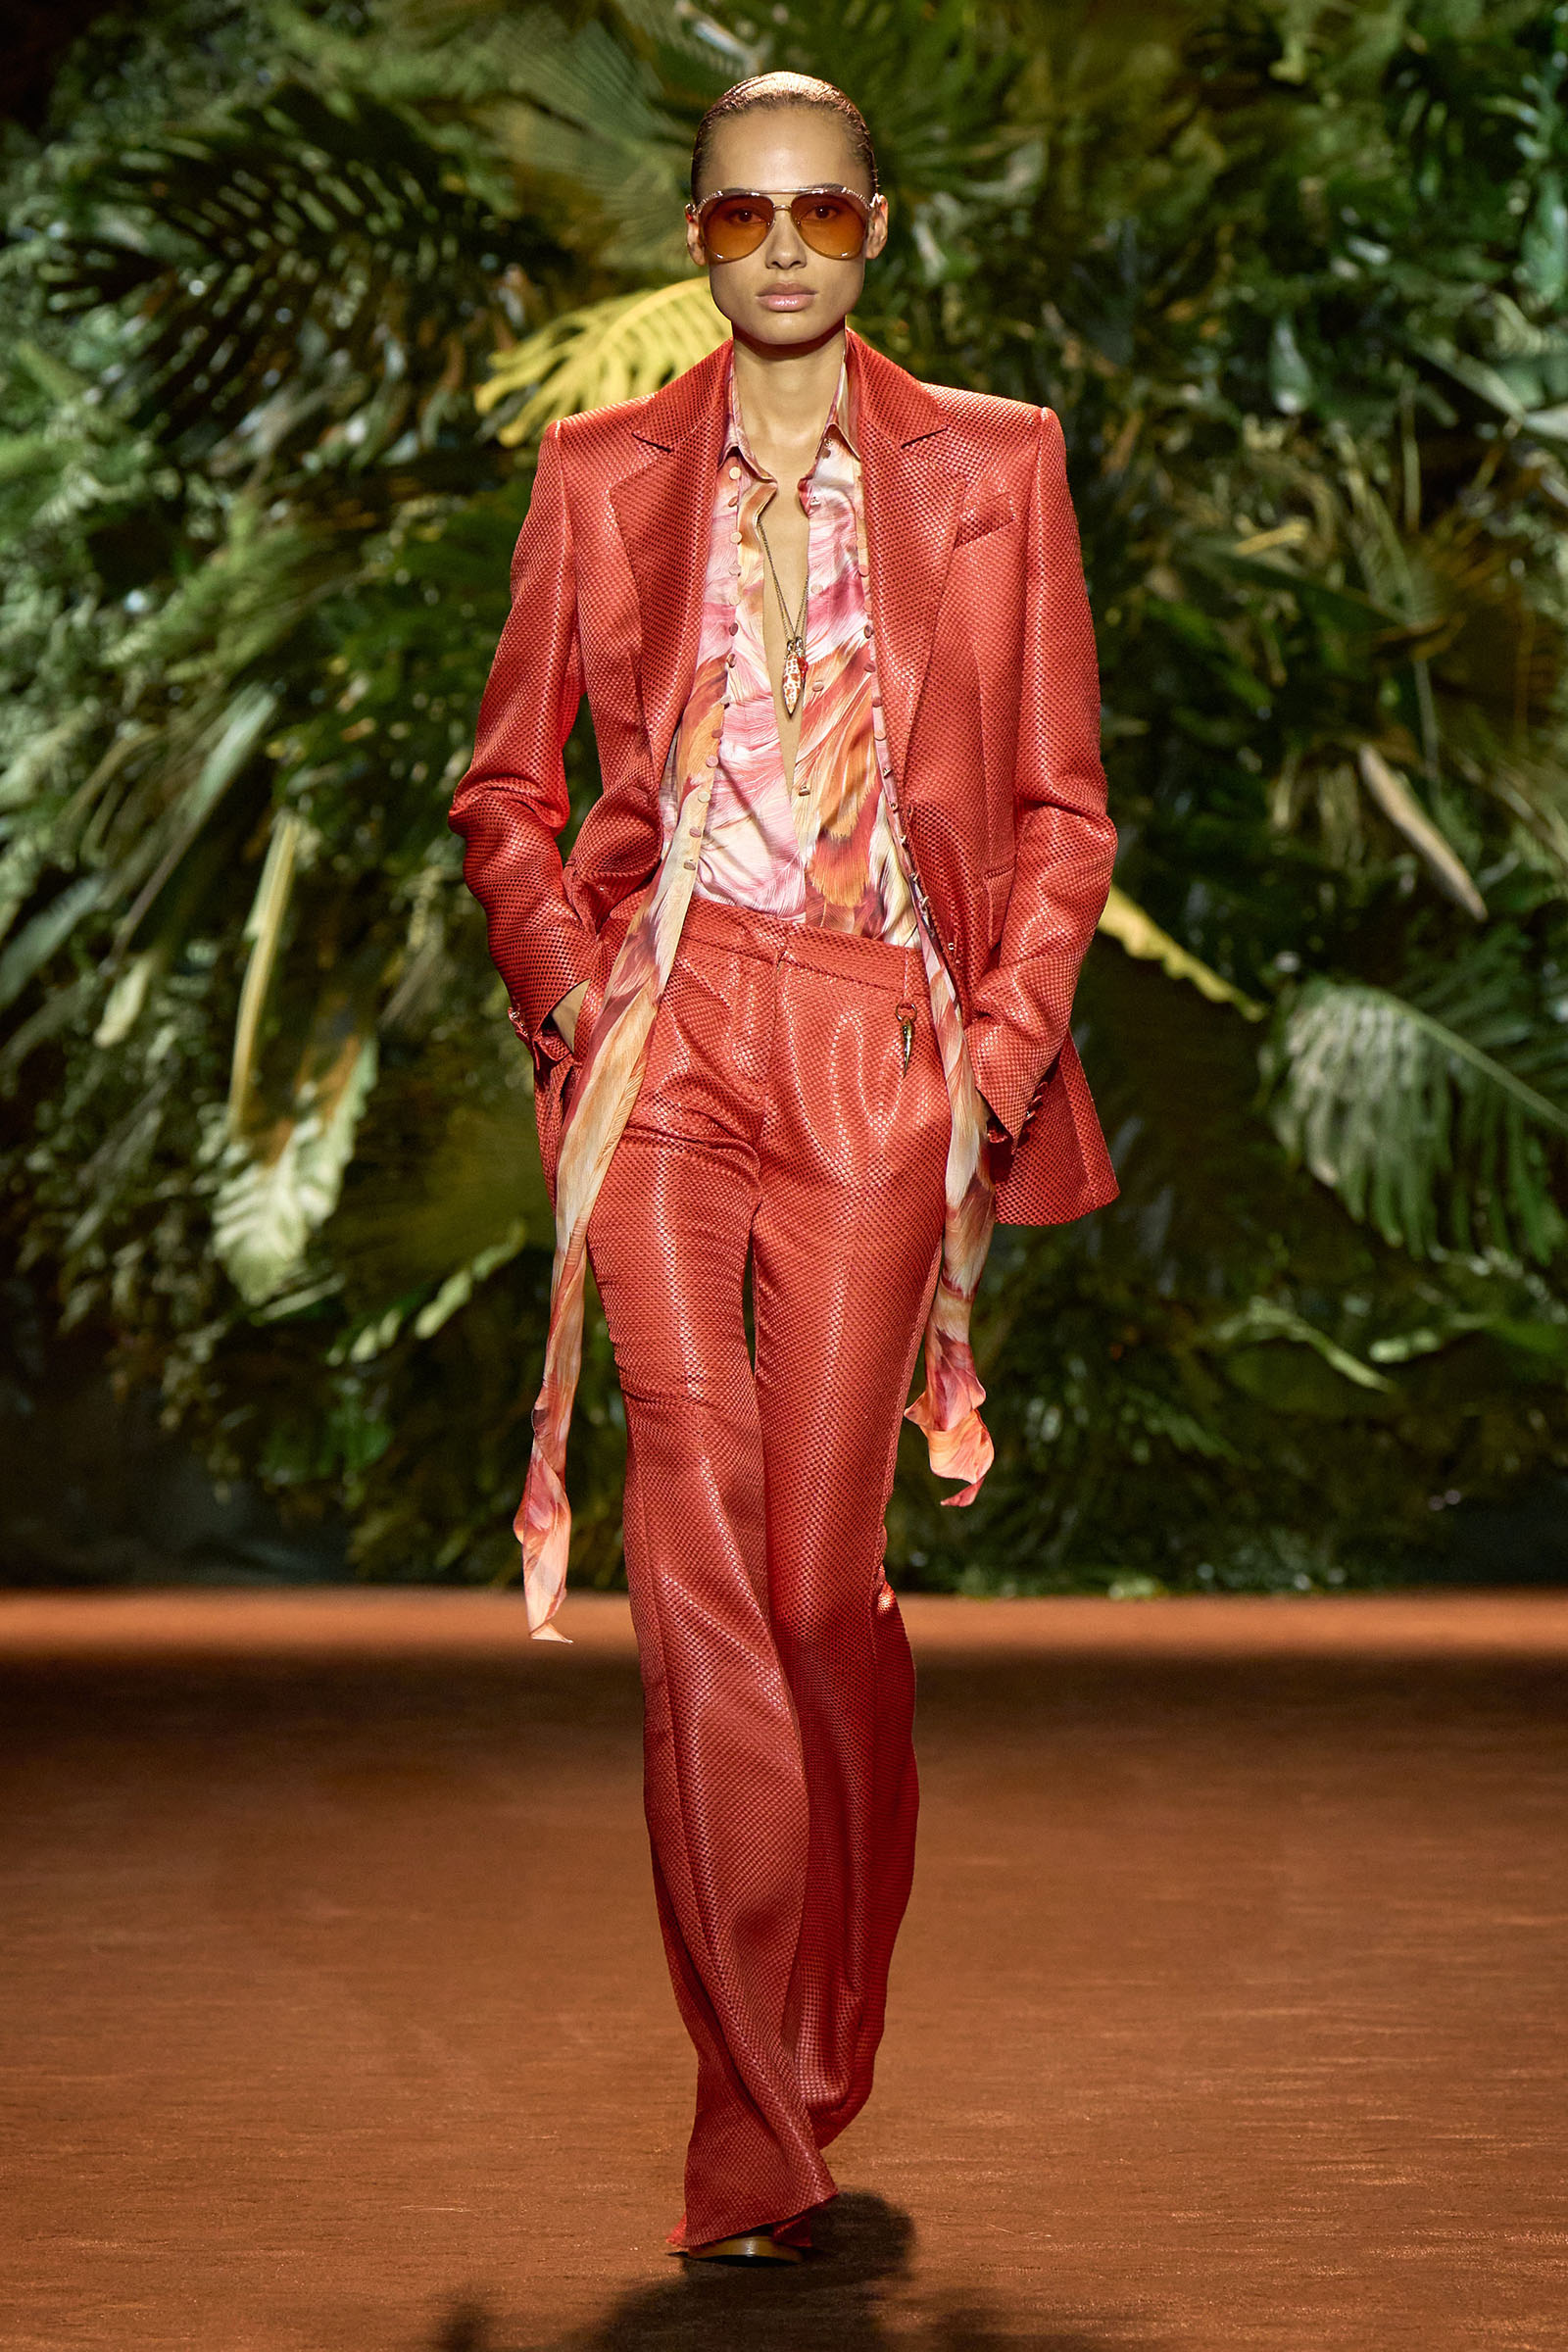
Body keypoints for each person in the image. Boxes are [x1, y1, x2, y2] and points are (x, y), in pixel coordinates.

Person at [450, 71, 1117, 2267]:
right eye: (744, 218)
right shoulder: (597, 471)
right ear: (696, 241)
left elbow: (1061, 813)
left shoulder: (994, 464)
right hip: (667, 1035)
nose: (785, 250)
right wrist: (576, 998)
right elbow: (506, 787)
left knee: (819, 1587)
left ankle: (824, 2019)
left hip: (876, 1039)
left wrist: (982, 1069)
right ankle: (748, 2115)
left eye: (821, 211)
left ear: (878, 229)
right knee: (697, 1565)